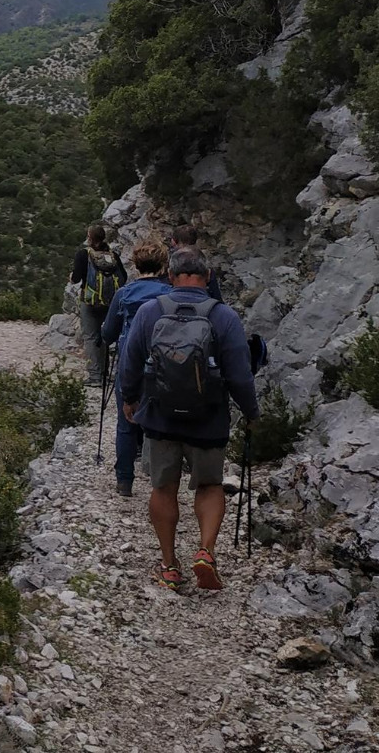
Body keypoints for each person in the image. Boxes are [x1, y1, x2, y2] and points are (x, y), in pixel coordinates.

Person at [118, 245, 259, 592]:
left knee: (163, 487)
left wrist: (130, 398)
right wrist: (252, 412)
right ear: (208, 277)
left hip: (161, 416)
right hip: (208, 418)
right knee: (210, 486)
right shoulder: (223, 316)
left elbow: (130, 360)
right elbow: (240, 375)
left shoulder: (151, 312)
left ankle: (168, 565)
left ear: (170, 276)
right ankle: (206, 552)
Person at [99, 238, 172, 497]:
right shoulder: (171, 294)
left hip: (132, 366)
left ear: (136, 265)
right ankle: (161, 482)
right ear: (164, 264)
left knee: (126, 423)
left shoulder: (125, 294)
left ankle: (124, 480)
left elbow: (108, 334)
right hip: (167, 367)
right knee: (163, 422)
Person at [70, 224, 125, 387]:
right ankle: (106, 373)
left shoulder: (84, 254)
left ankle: (95, 375)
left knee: (91, 337)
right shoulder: (113, 255)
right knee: (106, 336)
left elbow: (76, 278)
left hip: (90, 302)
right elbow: (124, 277)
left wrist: (71, 277)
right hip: (110, 303)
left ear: (89, 237)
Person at [169, 224, 223, 303]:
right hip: (203, 305)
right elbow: (215, 295)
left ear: (174, 241)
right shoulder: (203, 263)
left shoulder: (170, 264)